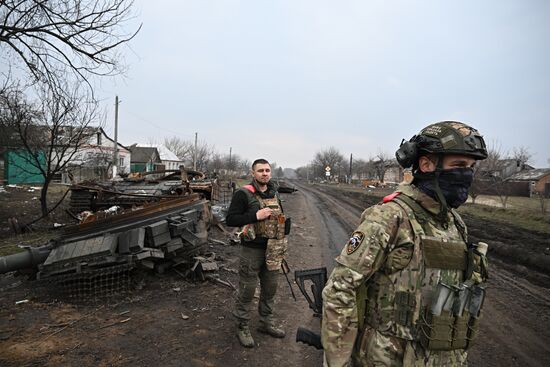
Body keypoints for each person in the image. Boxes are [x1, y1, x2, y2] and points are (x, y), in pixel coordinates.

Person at [321, 121, 490, 366]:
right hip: (390, 357)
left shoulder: (456, 224)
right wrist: (337, 360)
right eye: (459, 165)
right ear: (426, 164)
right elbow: (340, 289)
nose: (467, 174)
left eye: (471, 167)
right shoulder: (390, 217)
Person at [226, 158, 287, 348]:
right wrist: (255, 216)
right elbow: (230, 219)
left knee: (270, 289)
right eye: (260, 170)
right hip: (252, 250)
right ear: (253, 173)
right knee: (247, 290)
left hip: (274, 250)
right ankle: (242, 326)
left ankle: (265, 322)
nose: (265, 173)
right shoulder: (243, 193)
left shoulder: (274, 192)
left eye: (267, 170)